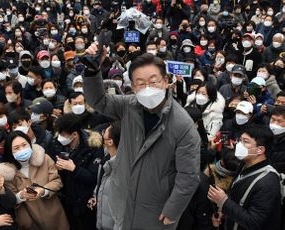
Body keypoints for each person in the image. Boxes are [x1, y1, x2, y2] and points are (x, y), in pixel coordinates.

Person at [83, 47, 200, 229]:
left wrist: (172, 210)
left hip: (155, 212)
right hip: (122, 201)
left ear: (166, 81)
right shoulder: (129, 106)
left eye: (153, 82)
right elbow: (99, 101)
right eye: (140, 83)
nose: (147, 89)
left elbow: (189, 176)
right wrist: (92, 72)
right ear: (133, 86)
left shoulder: (182, 125)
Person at [208, 125, 282, 230]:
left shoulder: (268, 182)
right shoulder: (244, 165)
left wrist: (223, 201)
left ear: (260, 150)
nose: (239, 145)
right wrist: (224, 212)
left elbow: (254, 222)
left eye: (245, 142)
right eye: (239, 140)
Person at [0, 131, 69, 230]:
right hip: (29, 220)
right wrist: (21, 195)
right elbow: (10, 200)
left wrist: (43, 190)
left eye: (24, 145)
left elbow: (57, 181)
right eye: (16, 148)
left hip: (53, 214)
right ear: (10, 151)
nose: (22, 149)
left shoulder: (44, 159)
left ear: (30, 144)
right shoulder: (7, 172)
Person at [50, 113, 104, 230]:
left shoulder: (93, 146)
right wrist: (59, 169)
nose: (60, 137)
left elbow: (94, 177)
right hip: (68, 200)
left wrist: (74, 169)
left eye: (63, 135)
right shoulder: (58, 144)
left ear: (74, 134)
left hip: (86, 202)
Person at [94, 123, 121, 230]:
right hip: (103, 223)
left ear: (110, 142)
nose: (101, 136)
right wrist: (96, 195)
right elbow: (101, 183)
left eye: (104, 134)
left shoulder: (122, 168)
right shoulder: (106, 158)